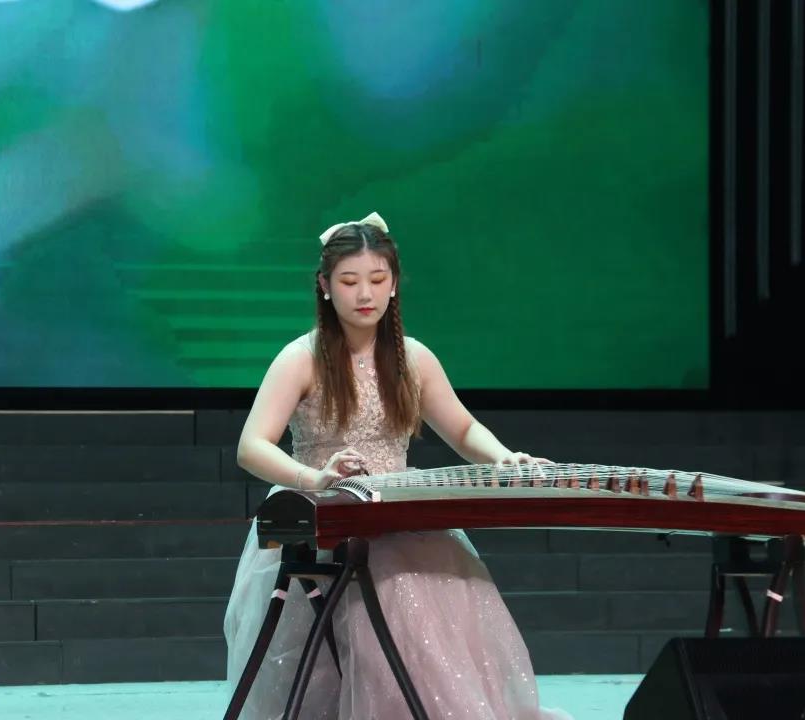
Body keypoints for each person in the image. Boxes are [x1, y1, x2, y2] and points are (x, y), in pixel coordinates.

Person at [224, 212, 572, 719]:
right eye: (349, 281)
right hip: (324, 508)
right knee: (378, 596)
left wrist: (503, 456)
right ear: (324, 286)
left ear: (394, 284)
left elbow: (462, 429)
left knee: (431, 598)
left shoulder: (413, 358)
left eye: (377, 279)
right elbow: (252, 445)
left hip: (400, 508)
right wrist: (314, 477)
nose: (364, 293)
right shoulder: (302, 358)